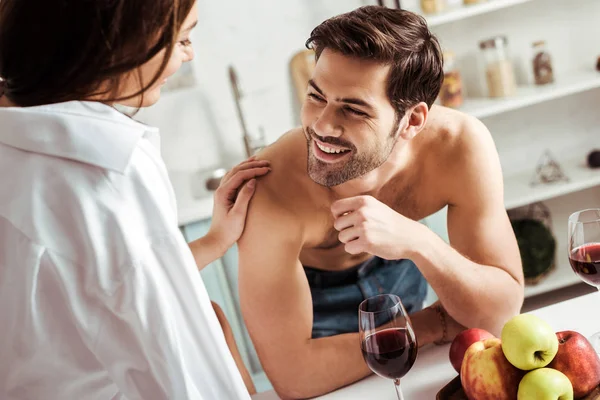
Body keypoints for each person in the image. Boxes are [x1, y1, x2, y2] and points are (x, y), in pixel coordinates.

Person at [238, 6, 524, 398]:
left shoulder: (460, 145)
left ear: (412, 121)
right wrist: (434, 324)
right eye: (316, 96)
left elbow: (502, 309)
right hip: (315, 301)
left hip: (401, 266)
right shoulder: (272, 186)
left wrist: (418, 242)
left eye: (353, 109)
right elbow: (293, 377)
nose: (321, 125)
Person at [0, 1, 268, 399]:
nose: (190, 53)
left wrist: (212, 242)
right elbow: (175, 363)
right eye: (183, 38)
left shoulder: (17, 143)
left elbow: (87, 292)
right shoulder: (107, 168)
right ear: (121, 41)